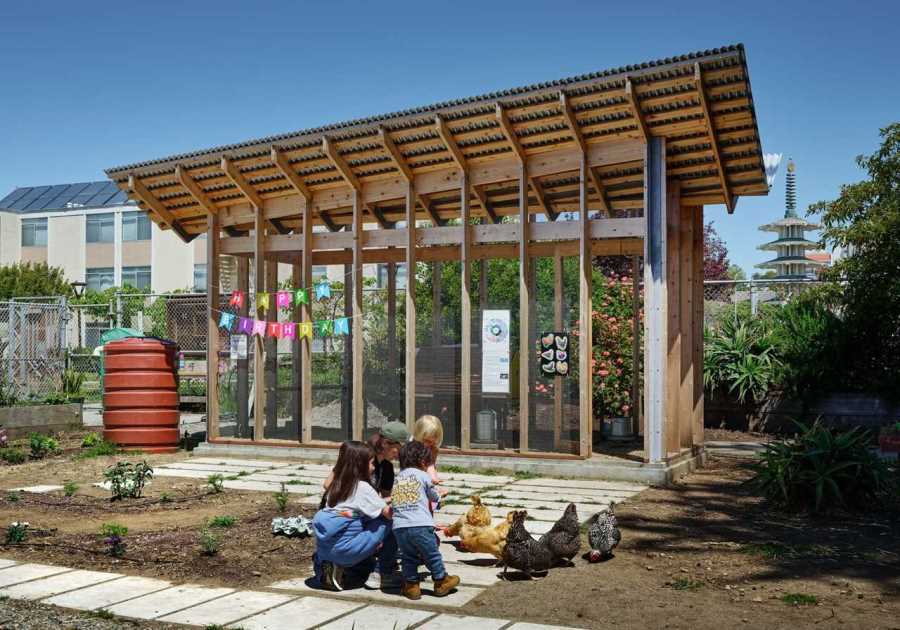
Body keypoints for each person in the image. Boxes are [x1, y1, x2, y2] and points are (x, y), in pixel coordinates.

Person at [312, 441, 398, 592]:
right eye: (371, 463)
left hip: (324, 551)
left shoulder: (336, 486)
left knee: (359, 519)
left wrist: (383, 501)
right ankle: (384, 571)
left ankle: (327, 568)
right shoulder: (363, 488)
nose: (373, 467)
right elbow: (388, 514)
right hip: (345, 552)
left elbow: (356, 506)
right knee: (392, 522)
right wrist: (405, 502)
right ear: (360, 465)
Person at [391, 440, 460, 600]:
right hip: (421, 525)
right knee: (432, 555)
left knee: (408, 557)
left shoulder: (398, 478)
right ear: (423, 462)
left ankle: (411, 587)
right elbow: (432, 495)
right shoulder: (423, 476)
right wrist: (440, 495)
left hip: (400, 527)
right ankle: (441, 581)